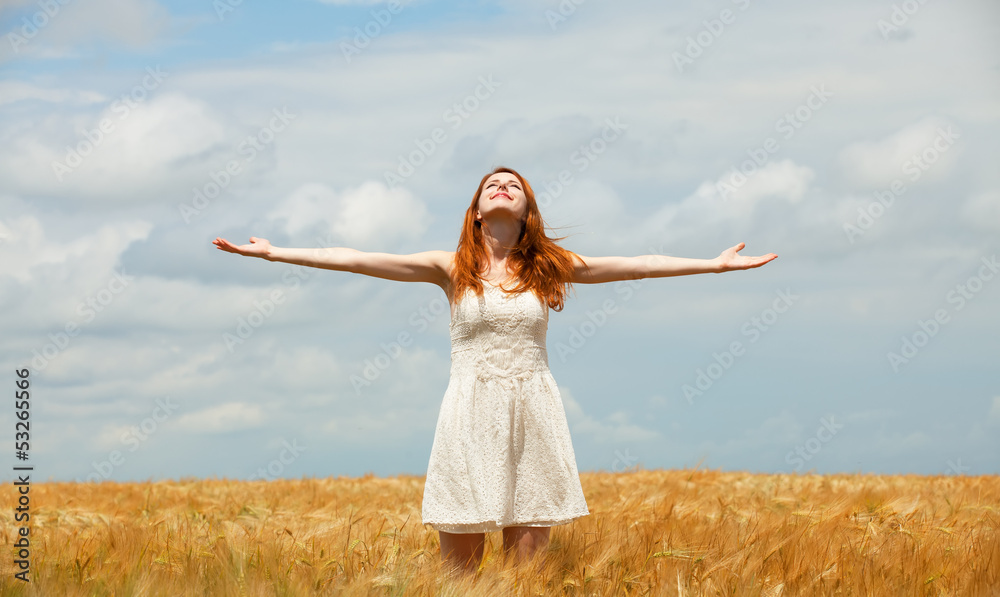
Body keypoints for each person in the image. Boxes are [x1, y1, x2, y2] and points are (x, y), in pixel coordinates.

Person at [213, 166, 777, 575]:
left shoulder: (551, 267)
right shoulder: (449, 268)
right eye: (492, 185)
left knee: (527, 566)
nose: (503, 185)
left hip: (533, 409)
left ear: (528, 212)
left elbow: (640, 265)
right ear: (477, 212)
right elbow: (355, 257)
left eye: (516, 186)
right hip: (469, 409)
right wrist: (276, 252)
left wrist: (715, 265)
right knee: (459, 568)